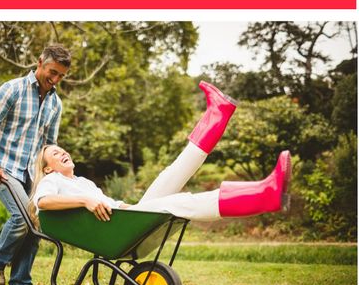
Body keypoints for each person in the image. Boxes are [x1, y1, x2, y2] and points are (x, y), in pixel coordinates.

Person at [31, 81, 290, 225]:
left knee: (172, 172)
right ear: (48, 168)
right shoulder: (53, 180)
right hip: (119, 228)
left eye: (61, 149)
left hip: (126, 219)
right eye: (54, 153)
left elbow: (113, 204)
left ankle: (218, 113)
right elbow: (42, 203)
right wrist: (85, 201)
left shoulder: (83, 182)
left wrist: (127, 206)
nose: (62, 152)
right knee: (181, 202)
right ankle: (265, 195)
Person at [0, 43, 70, 285]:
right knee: (22, 217)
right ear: (40, 63)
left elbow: (49, 143)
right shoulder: (13, 89)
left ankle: (20, 284)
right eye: (52, 72)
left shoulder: (55, 104)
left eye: (61, 76)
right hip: (4, 167)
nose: (55, 79)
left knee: (36, 223)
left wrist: (53, 171)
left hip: (33, 172)